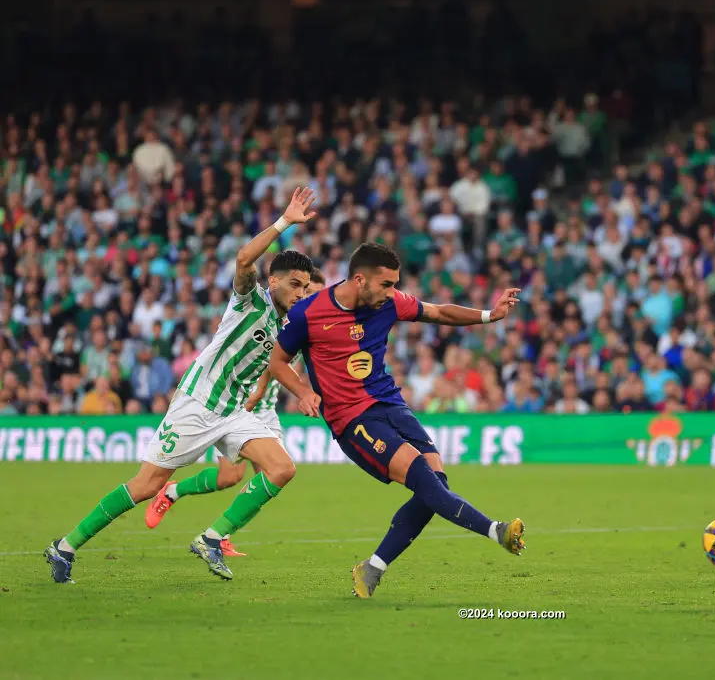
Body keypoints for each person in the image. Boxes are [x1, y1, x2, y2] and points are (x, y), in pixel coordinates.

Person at [43, 187, 319, 584]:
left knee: (281, 468)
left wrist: (305, 392)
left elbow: (277, 365)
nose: (300, 293)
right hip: (197, 403)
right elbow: (243, 259)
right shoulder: (249, 300)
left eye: (305, 288)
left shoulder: (288, 326)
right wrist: (284, 222)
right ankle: (65, 546)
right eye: (295, 284)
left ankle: (211, 538)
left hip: (233, 411)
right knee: (144, 485)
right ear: (273, 280)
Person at [269, 242, 525, 598]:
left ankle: (372, 568)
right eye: (386, 284)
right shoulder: (309, 313)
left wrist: (488, 315)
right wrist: (304, 392)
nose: (393, 292)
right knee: (425, 480)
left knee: (435, 482)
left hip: (390, 404)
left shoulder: (388, 303)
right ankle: (495, 530)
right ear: (360, 280)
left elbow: (438, 313)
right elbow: (278, 361)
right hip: (351, 418)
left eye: (395, 284)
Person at [141, 268, 328, 558]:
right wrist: (260, 392)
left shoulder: (309, 323)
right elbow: (271, 362)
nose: (307, 297)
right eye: (306, 291)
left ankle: (213, 528)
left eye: (314, 294)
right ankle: (180, 501)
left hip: (264, 410)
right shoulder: (280, 316)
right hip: (244, 403)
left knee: (265, 473)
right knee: (235, 477)